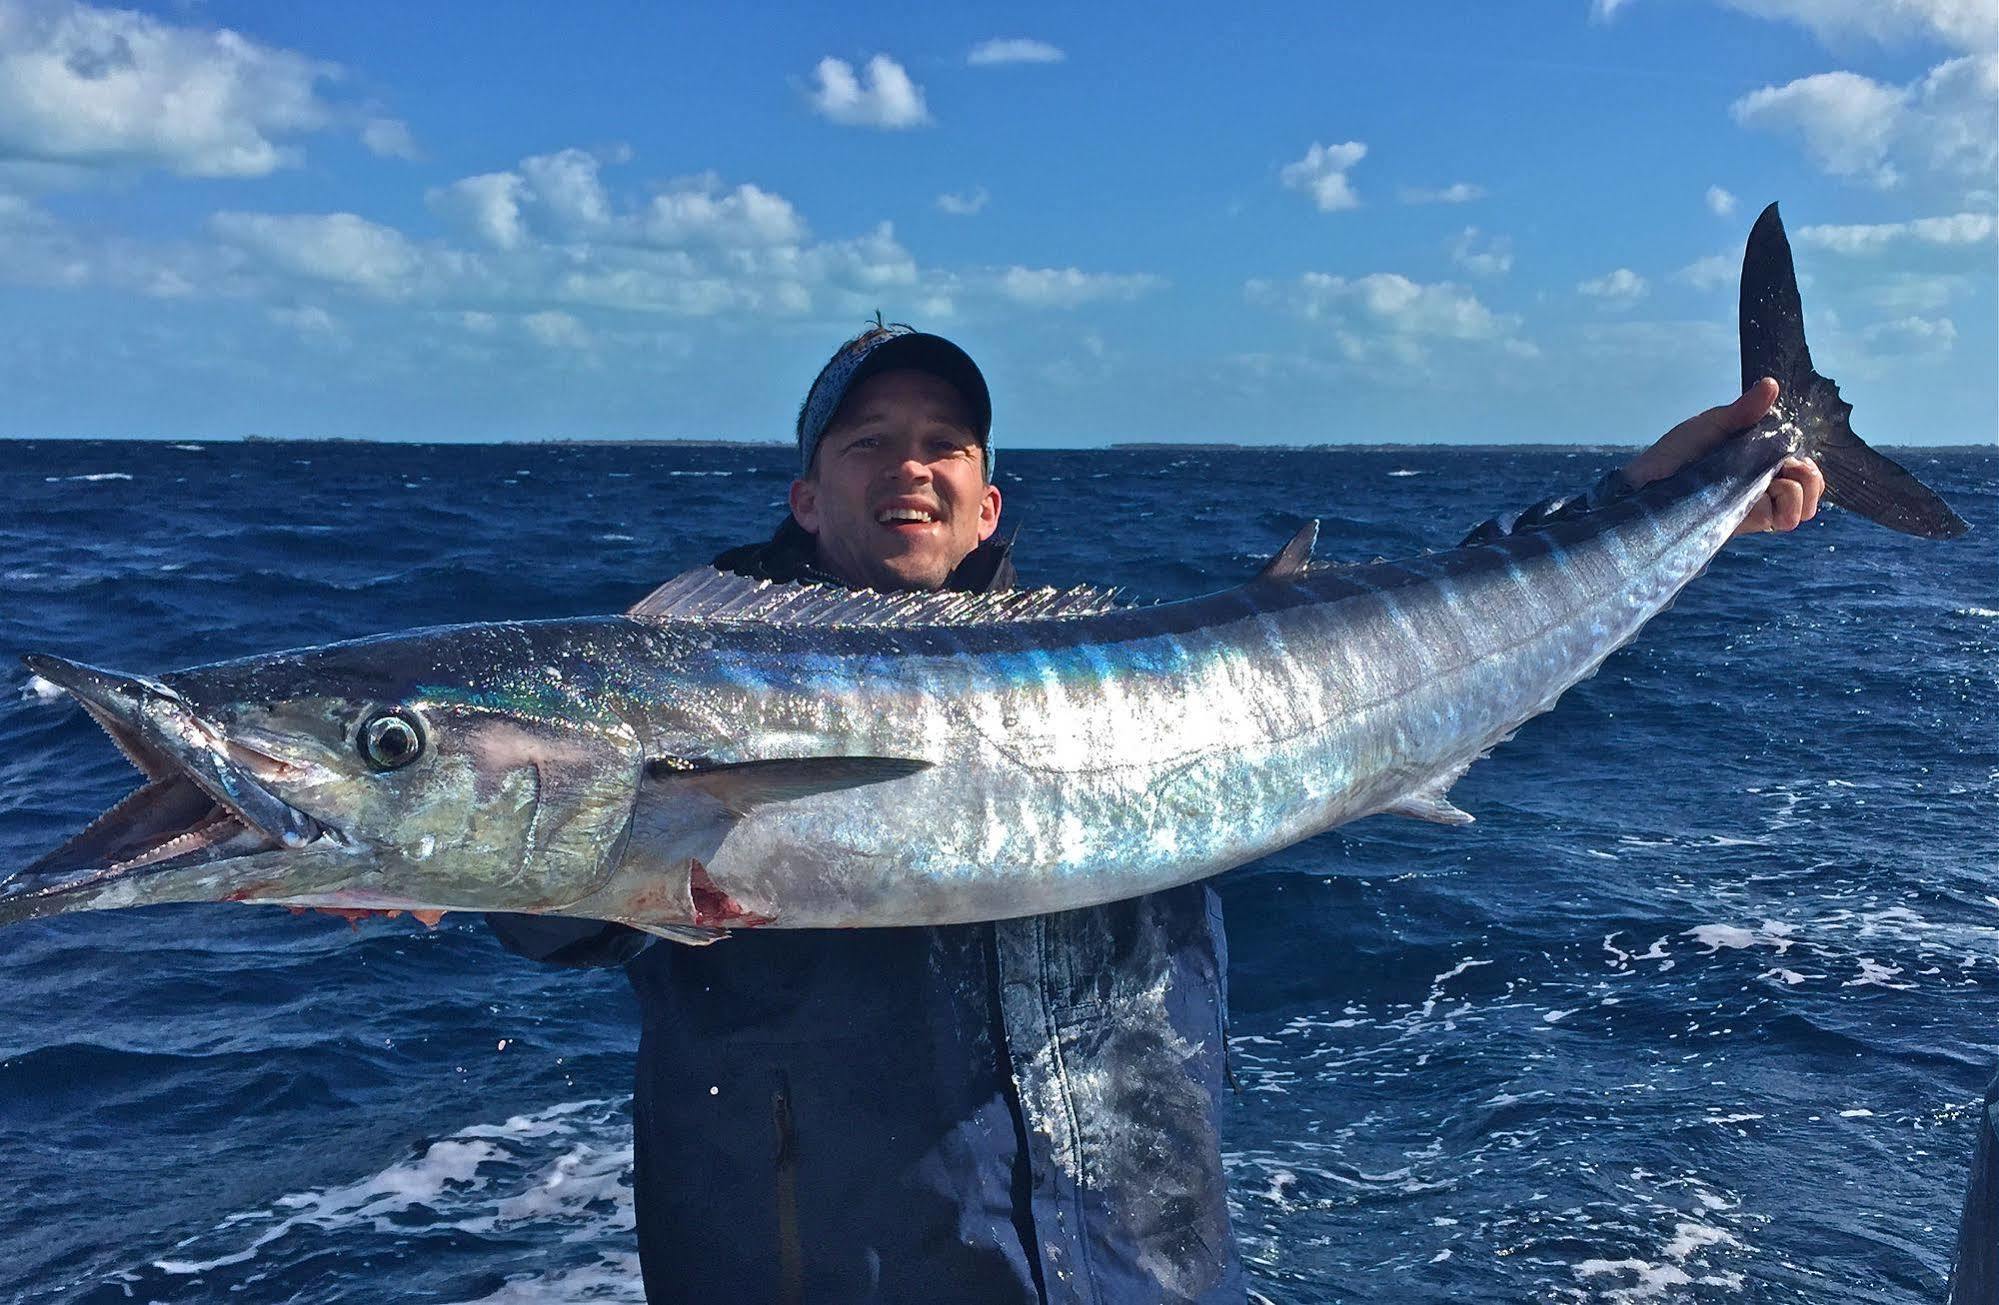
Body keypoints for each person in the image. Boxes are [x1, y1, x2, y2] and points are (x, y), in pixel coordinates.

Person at [489, 322, 1824, 1303]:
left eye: (944, 445)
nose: (912, 469)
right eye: (869, 443)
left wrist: (1665, 502)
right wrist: (477, 866)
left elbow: (1421, 619)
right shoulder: (663, 680)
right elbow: (557, 911)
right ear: (805, 494)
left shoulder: (1131, 671)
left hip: (1140, 1263)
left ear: (989, 494)